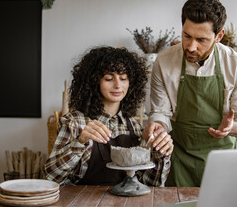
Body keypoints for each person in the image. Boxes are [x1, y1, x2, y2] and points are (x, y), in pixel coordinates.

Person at [143, 0, 237, 187]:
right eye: (187, 36)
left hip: (221, 161)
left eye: (201, 40)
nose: (191, 46)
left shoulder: (235, 64)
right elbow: (160, 113)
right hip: (179, 159)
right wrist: (157, 127)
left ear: (219, 36)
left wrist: (230, 128)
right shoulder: (164, 62)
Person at [44, 46, 173, 186]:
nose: (118, 85)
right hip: (84, 204)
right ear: (94, 82)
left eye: (123, 78)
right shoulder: (73, 122)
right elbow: (50, 178)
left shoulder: (134, 127)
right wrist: (80, 142)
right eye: (109, 79)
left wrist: (159, 154)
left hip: (124, 205)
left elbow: (149, 183)